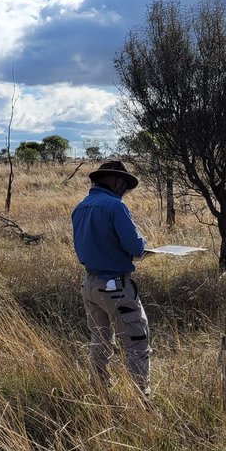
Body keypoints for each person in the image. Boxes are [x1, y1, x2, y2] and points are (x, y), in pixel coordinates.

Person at [71, 160, 152, 397]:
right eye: (125, 187)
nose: (124, 192)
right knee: (137, 342)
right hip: (116, 286)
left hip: (90, 285)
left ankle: (100, 390)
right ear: (118, 182)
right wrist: (142, 245)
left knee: (100, 341)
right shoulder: (115, 206)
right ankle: (143, 400)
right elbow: (135, 248)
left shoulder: (80, 207)